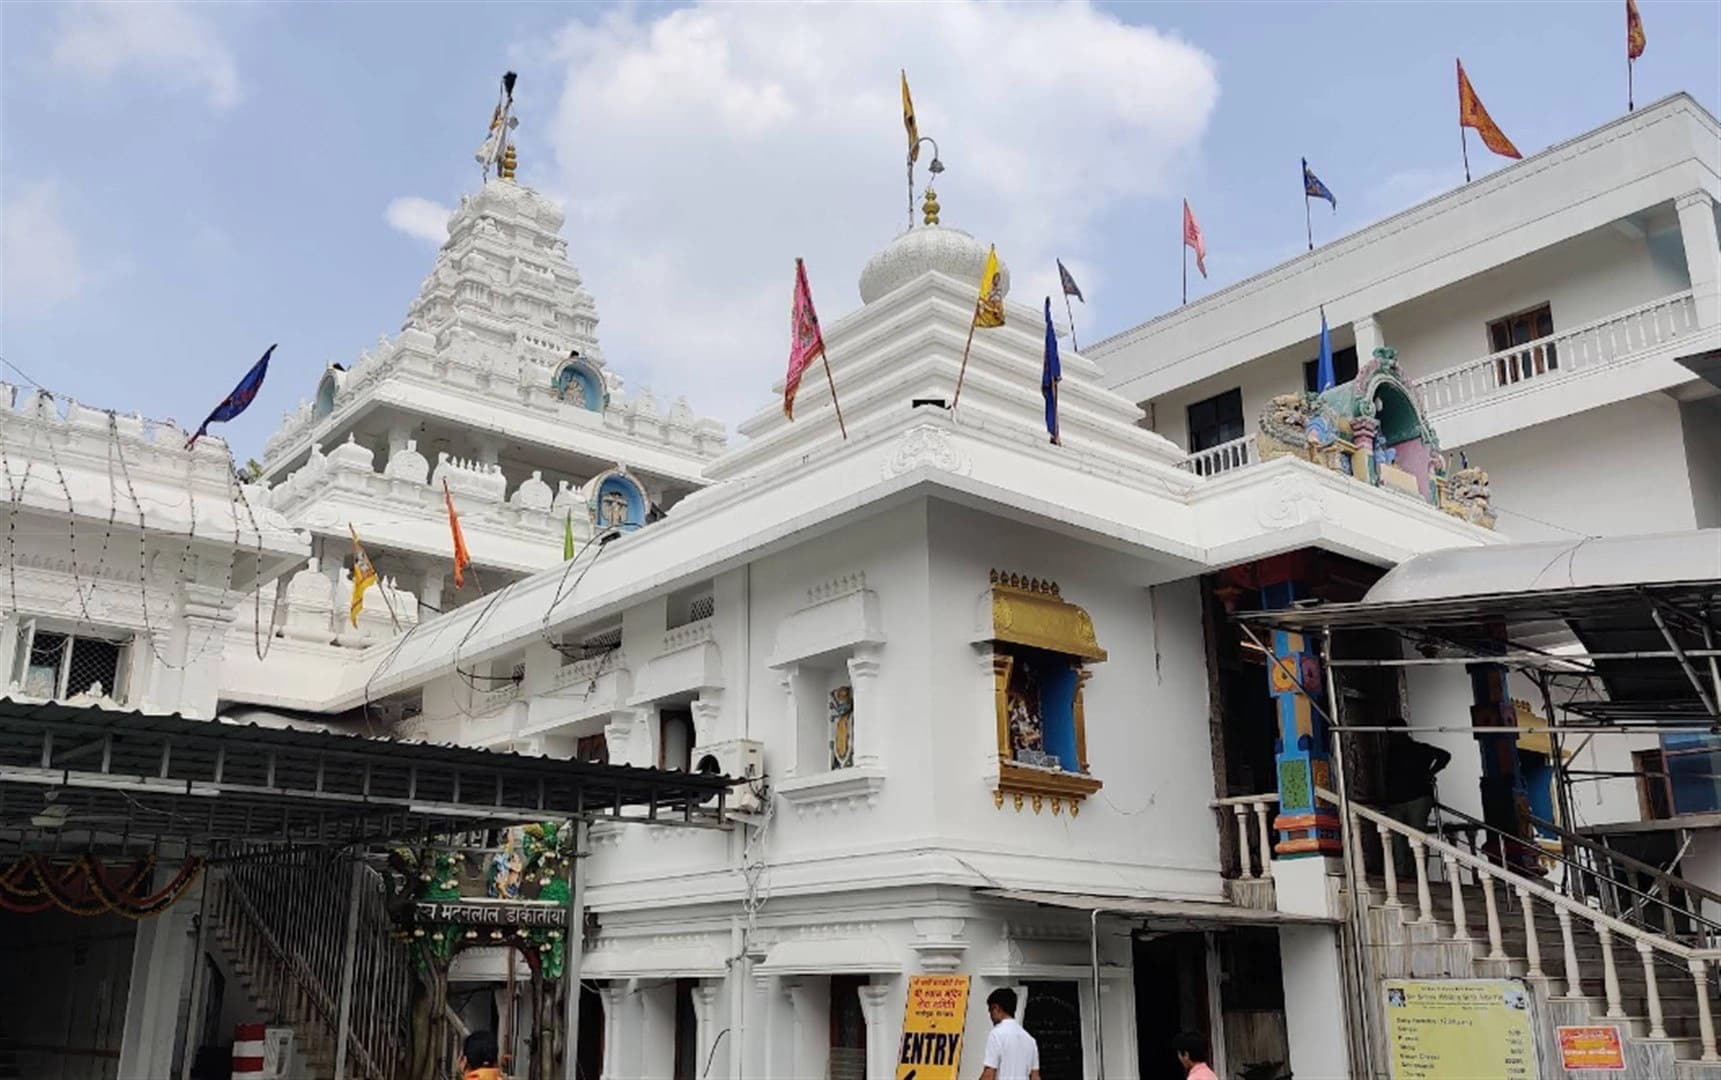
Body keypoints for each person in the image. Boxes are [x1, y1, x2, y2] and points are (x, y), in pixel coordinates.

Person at [1381, 729, 1452, 875]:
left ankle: (1415, 873)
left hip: (1414, 798)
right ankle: (1407, 873)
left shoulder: (1417, 749)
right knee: (1402, 839)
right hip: (1401, 799)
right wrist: (1431, 773)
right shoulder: (1392, 752)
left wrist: (1431, 773)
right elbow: (1444, 756)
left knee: (1413, 838)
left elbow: (1445, 756)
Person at [978, 987, 1040, 1080]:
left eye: (990, 1011)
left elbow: (989, 1074)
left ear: (996, 1008)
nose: (990, 1017)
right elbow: (1035, 1077)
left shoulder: (996, 1035)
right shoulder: (1030, 1040)